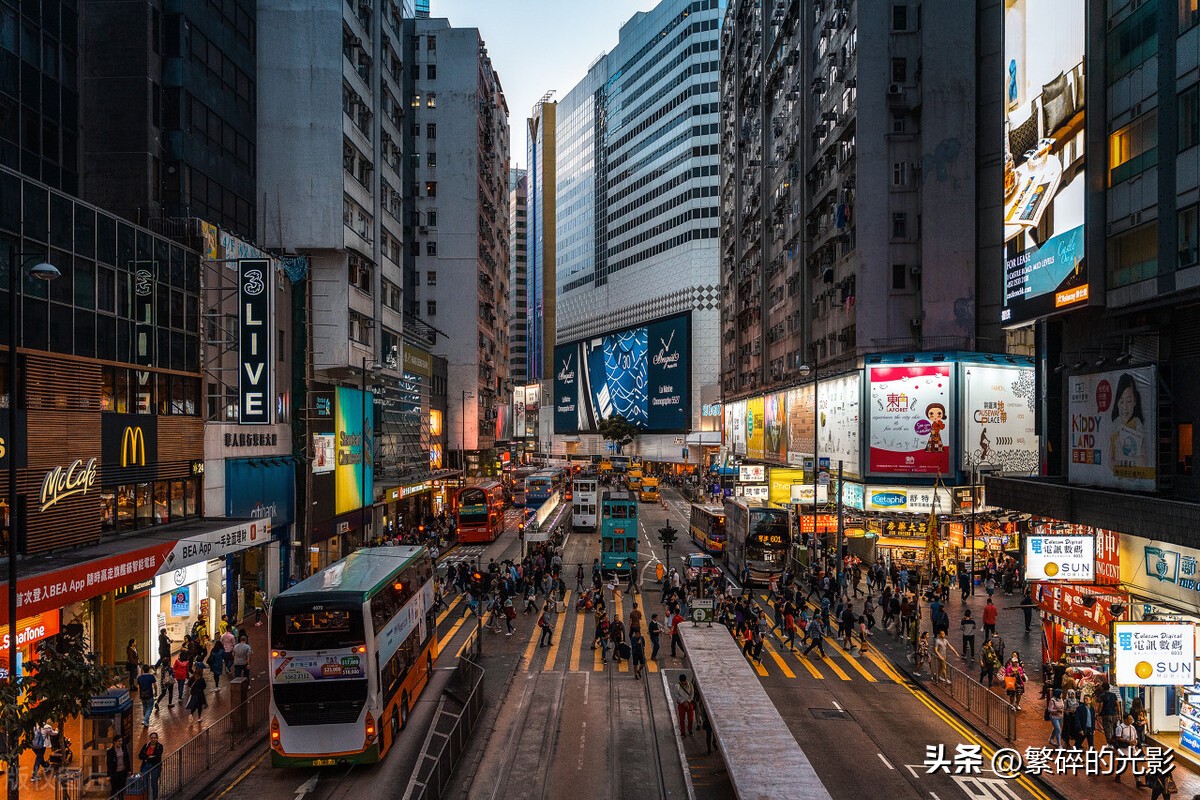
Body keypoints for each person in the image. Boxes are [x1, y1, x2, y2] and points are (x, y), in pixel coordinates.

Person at [1112, 714, 1145, 787]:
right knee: (1122, 764)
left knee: (1135, 765)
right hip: (1124, 750)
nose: (1131, 720)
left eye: (1132, 719)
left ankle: (1138, 781)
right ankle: (1118, 775)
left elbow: (1136, 737)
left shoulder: (1132, 727)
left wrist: (1135, 742)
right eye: (1130, 719)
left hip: (1132, 750)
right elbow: (1118, 738)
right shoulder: (1120, 727)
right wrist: (1128, 742)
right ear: (1125, 719)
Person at [138, 732, 164, 800]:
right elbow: (140, 755)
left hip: (155, 766)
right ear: (150, 738)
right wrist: (149, 757)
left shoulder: (160, 746)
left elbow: (157, 757)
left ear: (157, 738)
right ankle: (146, 797)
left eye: (154, 738)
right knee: (145, 783)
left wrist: (146, 758)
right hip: (145, 766)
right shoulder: (146, 746)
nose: (153, 739)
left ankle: (155, 798)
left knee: (154, 783)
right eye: (152, 738)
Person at [1097, 681, 1123, 747]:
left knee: (1107, 730)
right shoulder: (1113, 695)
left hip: (1106, 715)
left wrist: (1098, 713)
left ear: (1103, 688)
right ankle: (1115, 743)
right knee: (1114, 729)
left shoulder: (1102, 695)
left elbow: (1101, 705)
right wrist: (1119, 714)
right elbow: (1117, 705)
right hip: (1114, 714)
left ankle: (1110, 743)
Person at [106, 735, 130, 799]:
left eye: (121, 741)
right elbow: (109, 764)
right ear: (114, 742)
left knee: (122, 789)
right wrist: (109, 775)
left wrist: (129, 770)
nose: (120, 742)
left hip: (123, 772)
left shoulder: (124, 748)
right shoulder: (110, 751)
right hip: (115, 773)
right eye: (118, 741)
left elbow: (127, 759)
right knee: (114, 789)